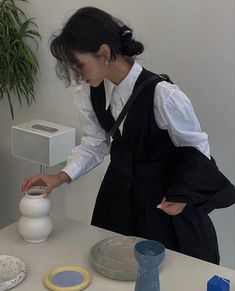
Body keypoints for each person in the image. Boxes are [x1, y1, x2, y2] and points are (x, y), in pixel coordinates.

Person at [22, 6, 235, 264]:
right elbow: (95, 144)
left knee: (166, 273)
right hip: (118, 199)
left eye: (79, 65)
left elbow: (196, 150)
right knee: (113, 268)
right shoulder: (89, 93)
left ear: (104, 53)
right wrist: (60, 176)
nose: (78, 75)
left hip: (164, 204)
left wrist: (183, 196)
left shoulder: (163, 95)